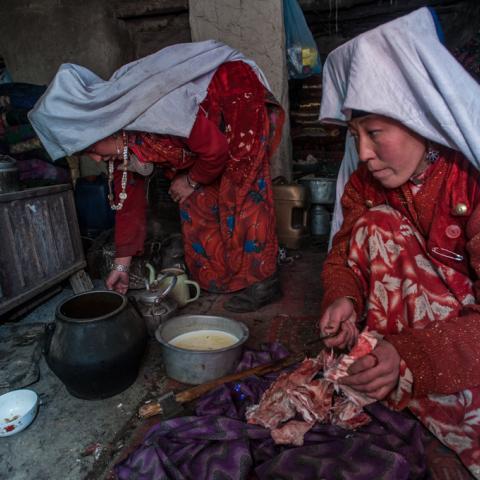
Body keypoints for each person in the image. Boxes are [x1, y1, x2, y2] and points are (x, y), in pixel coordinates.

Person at [317, 7, 480, 478]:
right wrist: (341, 295)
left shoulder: (468, 180)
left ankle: (411, 384)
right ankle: (395, 376)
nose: (363, 154)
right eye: (355, 136)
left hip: (461, 344)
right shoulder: (368, 185)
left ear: (419, 119)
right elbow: (342, 253)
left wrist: (413, 357)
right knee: (376, 225)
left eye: (374, 133)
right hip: (417, 343)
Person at [28, 40, 285, 313]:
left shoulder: (151, 106)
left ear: (100, 131)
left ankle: (262, 281)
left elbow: (215, 149)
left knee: (240, 187)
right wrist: (121, 267)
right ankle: (224, 278)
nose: (95, 159)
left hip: (233, 97)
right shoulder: (118, 137)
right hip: (204, 131)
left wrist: (190, 179)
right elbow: (128, 202)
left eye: (90, 149)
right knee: (194, 199)